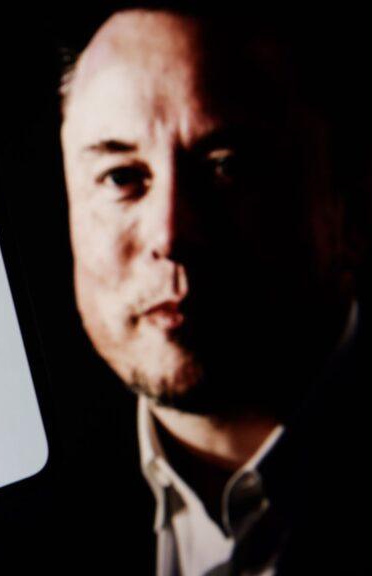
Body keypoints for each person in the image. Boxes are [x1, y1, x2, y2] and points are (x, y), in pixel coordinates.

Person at [59, 7, 369, 574]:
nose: (169, 234)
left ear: (348, 205)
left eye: (227, 167)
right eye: (122, 178)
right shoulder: (18, 515)